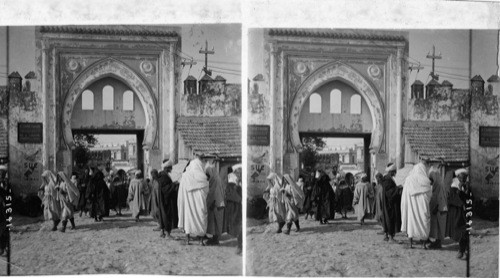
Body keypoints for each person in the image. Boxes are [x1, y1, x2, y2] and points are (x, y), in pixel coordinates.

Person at [177, 154, 210, 244]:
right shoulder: (204, 178)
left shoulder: (185, 176)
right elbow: (207, 191)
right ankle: (201, 241)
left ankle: (187, 239)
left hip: (188, 204)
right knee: (201, 218)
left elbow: (181, 193)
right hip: (200, 203)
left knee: (188, 219)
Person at [400, 160, 432, 248]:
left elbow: (405, 194)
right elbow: (430, 195)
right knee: (424, 223)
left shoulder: (409, 179)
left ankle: (410, 244)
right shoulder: (426, 181)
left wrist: (405, 205)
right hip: (423, 206)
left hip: (411, 206)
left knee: (411, 224)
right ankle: (424, 244)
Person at [446, 169, 471, 259]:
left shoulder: (467, 187)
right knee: (461, 231)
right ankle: (461, 250)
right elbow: (452, 200)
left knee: (465, 231)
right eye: (461, 177)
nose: (463, 179)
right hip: (457, 213)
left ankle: (464, 251)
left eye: (465, 177)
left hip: (466, 212)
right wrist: (460, 192)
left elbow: (470, 198)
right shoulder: (453, 187)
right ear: (458, 177)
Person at [205, 161, 225, 245]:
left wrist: (213, 202)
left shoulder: (216, 181)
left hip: (217, 204)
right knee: (214, 222)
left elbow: (217, 193)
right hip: (216, 204)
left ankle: (215, 239)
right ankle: (214, 238)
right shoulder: (214, 180)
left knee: (216, 222)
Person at [427, 167, 447, 249]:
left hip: (439, 209)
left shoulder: (439, 185)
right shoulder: (436, 184)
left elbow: (441, 198)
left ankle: (438, 243)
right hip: (436, 209)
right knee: (435, 227)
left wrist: (437, 207)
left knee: (439, 227)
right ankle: (435, 242)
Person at [381, 163, 401, 242]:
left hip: (387, 203)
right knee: (390, 219)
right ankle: (391, 237)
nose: (395, 173)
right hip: (390, 204)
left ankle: (386, 236)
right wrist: (398, 189)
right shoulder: (388, 180)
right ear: (391, 171)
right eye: (394, 172)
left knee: (387, 219)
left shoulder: (387, 179)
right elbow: (390, 193)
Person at [157, 160, 177, 238]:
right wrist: (174, 185)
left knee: (163, 215)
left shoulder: (163, 175)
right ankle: (168, 234)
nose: (171, 169)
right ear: (167, 168)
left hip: (164, 200)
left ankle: (162, 232)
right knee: (167, 216)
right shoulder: (164, 176)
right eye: (170, 167)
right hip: (166, 200)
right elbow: (165, 189)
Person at [0, 165, 9, 256]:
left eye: (3, 173)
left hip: (3, 210)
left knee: (4, 230)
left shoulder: (6, 183)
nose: (1, 175)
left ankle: (4, 248)